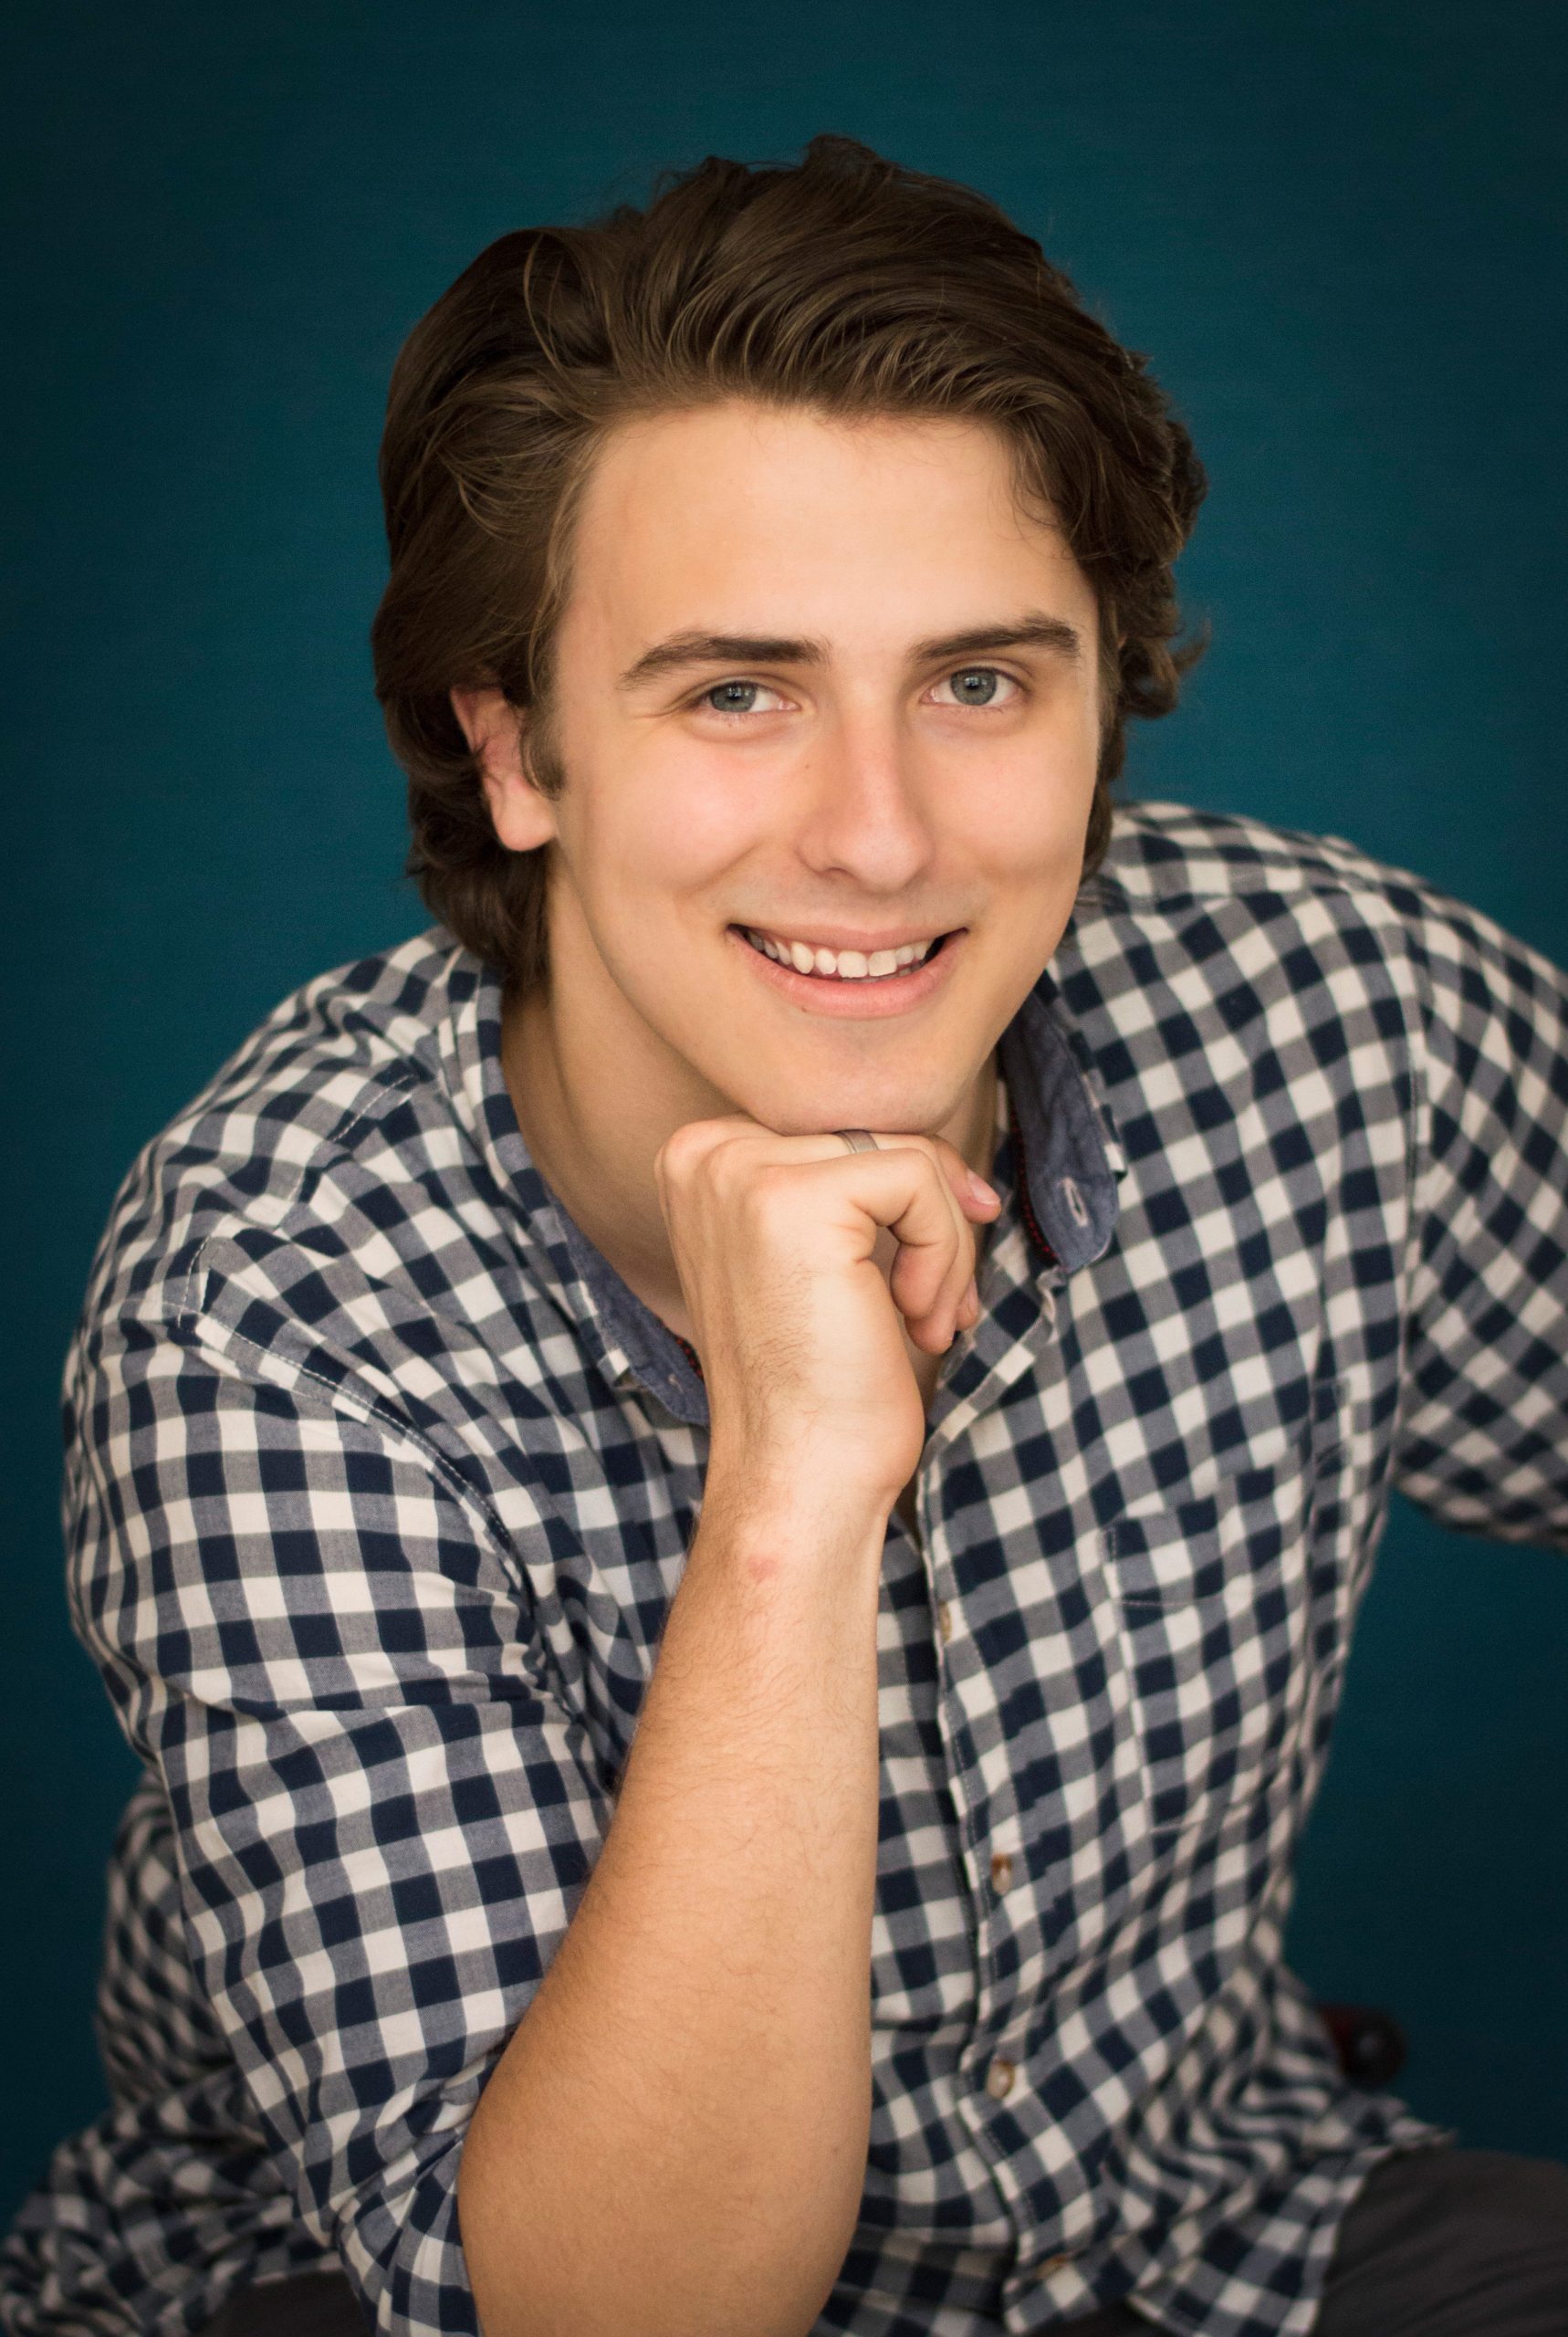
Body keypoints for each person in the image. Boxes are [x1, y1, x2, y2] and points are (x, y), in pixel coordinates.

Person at [3, 134, 1565, 2337]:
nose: (878, 835)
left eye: (979, 681)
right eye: (736, 690)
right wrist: (792, 1494)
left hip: (1204, 2224)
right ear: (517, 747)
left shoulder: (1327, 1010)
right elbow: (591, 2311)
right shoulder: (274, 1299)